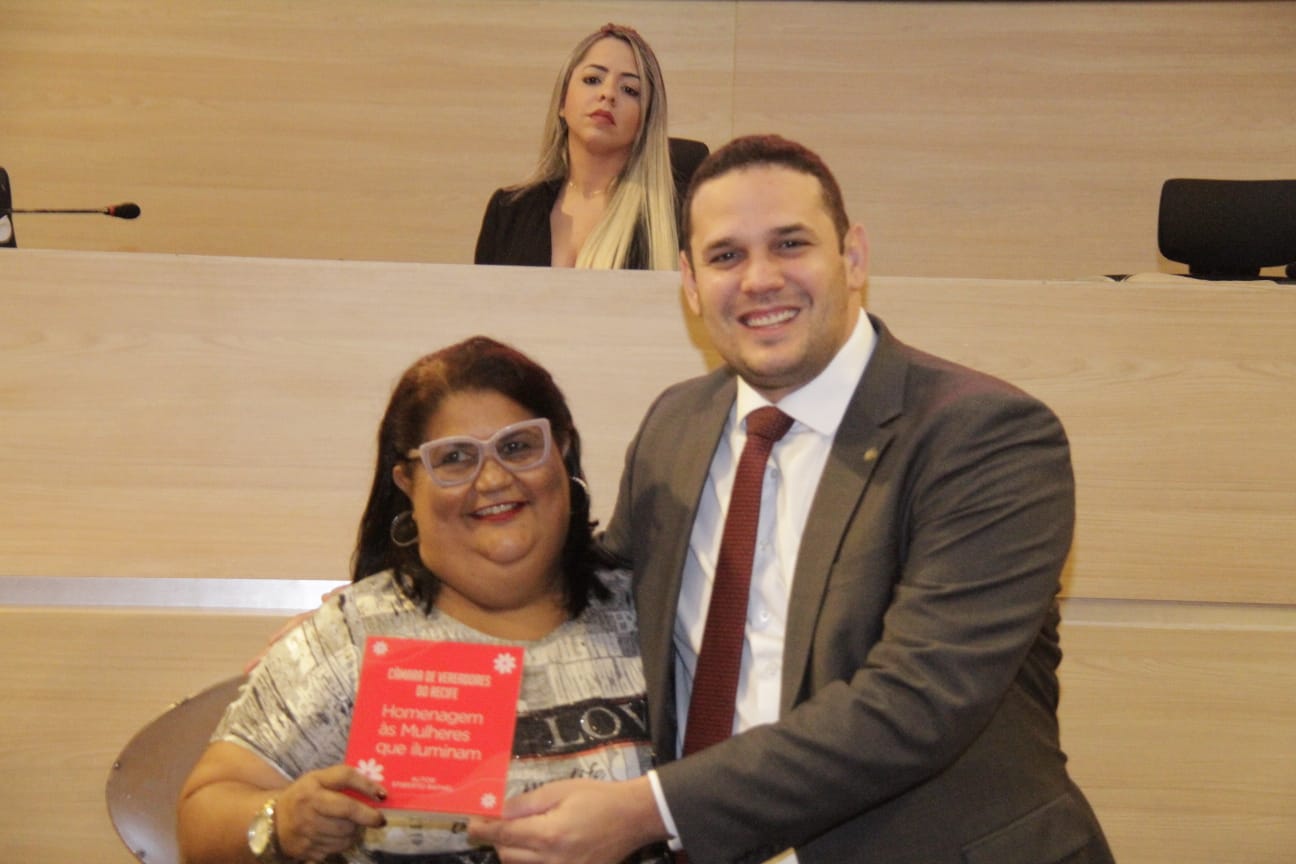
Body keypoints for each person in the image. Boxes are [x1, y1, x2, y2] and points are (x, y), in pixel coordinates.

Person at [470, 135, 1115, 863]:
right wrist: (395, 708)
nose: (760, 279)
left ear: (854, 257)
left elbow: (916, 702)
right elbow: (595, 612)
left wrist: (649, 811)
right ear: (689, 284)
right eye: (726, 256)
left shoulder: (985, 435)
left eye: (790, 244)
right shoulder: (676, 424)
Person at [178, 336, 668, 864]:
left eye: (517, 447)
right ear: (407, 482)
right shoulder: (350, 639)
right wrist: (283, 820)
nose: (494, 479)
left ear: (562, 449)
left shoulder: (655, 609)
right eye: (454, 458)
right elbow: (201, 815)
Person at [473, 23, 705, 270]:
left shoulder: (679, 218)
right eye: (593, 79)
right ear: (562, 101)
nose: (608, 94)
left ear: (645, 120)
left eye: (629, 90)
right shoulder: (508, 211)